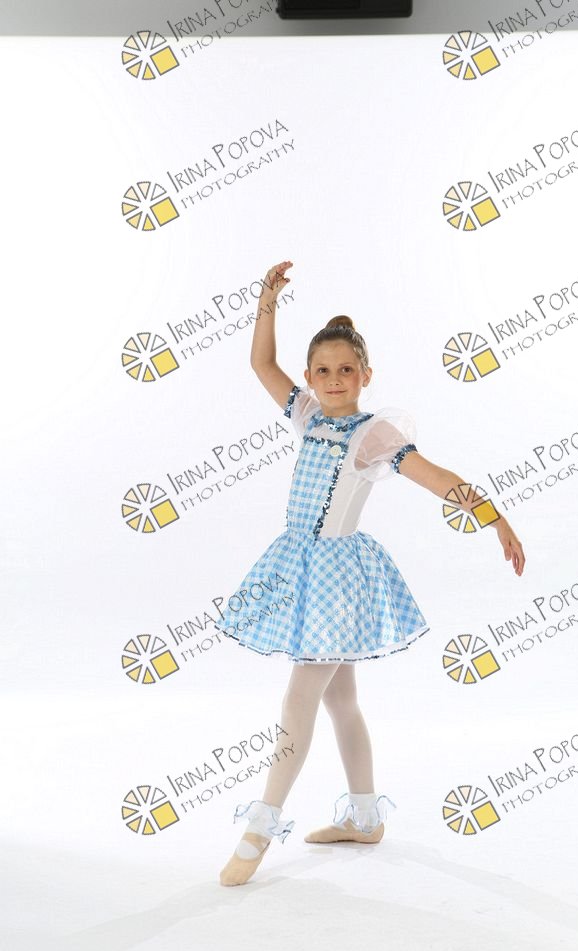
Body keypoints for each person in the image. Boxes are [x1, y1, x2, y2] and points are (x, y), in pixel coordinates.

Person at [216, 260, 526, 886]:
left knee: (300, 696)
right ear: (310, 376)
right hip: (299, 566)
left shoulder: (373, 434)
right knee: (341, 699)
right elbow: (261, 364)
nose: (334, 380)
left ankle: (261, 826)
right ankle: (364, 818)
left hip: (337, 578)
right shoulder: (307, 416)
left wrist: (494, 517)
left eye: (346, 370)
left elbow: (436, 477)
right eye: (322, 371)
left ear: (365, 375)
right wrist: (267, 302)